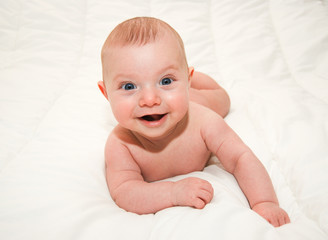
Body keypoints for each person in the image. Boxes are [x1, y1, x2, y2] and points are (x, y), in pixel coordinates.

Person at [98, 17, 290, 227]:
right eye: (128, 86)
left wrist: (265, 202)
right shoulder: (120, 144)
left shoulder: (204, 121)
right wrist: (173, 192)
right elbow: (125, 192)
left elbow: (240, 158)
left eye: (166, 81)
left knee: (222, 100)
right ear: (106, 93)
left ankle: (197, 80)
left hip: (197, 102)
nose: (150, 100)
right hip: (179, 102)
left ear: (186, 81)